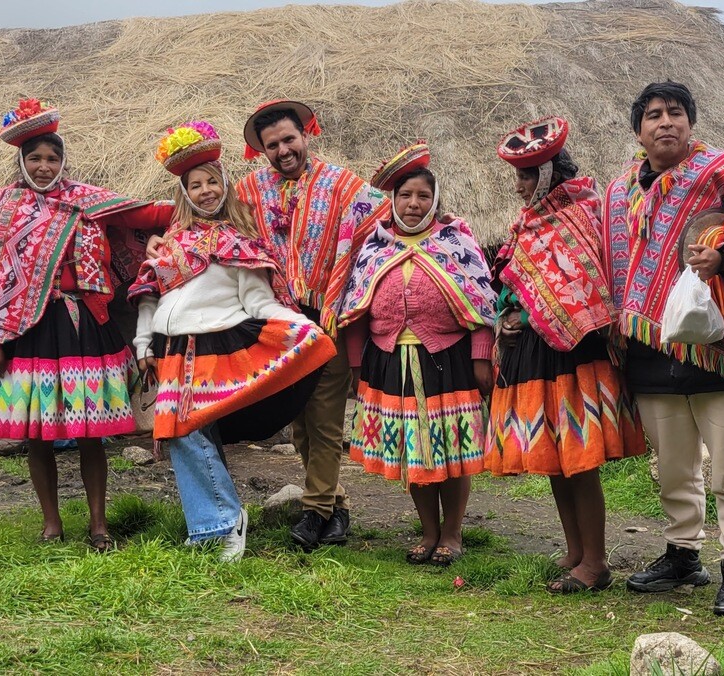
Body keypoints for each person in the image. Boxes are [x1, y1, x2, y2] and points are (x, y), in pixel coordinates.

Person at [601, 81, 724, 616]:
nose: (664, 122)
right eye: (653, 115)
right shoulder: (620, 192)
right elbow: (610, 267)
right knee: (673, 465)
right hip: (650, 348)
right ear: (637, 130)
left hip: (722, 348)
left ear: (690, 122)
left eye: (675, 113)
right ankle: (682, 554)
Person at [151, 100, 388, 550]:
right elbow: (202, 207)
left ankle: (316, 513)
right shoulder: (250, 189)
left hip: (322, 316)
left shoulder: (340, 184)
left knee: (323, 420)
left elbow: (382, 220)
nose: (282, 150)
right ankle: (335, 505)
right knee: (298, 419)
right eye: (272, 145)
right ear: (260, 150)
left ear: (305, 135)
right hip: (269, 321)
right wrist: (158, 235)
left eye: (288, 140)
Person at [129, 121, 335, 562]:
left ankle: (222, 520)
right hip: (171, 352)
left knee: (187, 431)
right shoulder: (168, 247)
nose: (205, 191)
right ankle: (210, 525)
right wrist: (143, 345)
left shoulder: (239, 244)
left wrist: (302, 329)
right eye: (195, 185)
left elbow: (260, 303)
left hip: (215, 349)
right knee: (188, 436)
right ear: (184, 194)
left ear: (225, 186)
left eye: (212, 182)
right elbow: (149, 298)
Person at [0, 99, 172, 550]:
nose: (44, 167)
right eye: (35, 158)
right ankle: (51, 523)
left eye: (52, 158)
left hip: (85, 321)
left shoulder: (87, 200)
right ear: (21, 162)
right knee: (37, 434)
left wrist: (179, 214)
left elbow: (148, 214)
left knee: (90, 432)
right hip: (30, 327)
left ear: (63, 162)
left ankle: (99, 523)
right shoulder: (5, 206)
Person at [488, 117, 645, 592]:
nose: (519, 186)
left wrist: (541, 312)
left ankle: (595, 562)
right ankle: (575, 549)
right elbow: (515, 283)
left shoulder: (583, 210)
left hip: (577, 350)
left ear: (551, 171)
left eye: (527, 175)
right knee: (556, 458)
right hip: (535, 352)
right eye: (518, 176)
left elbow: (592, 279)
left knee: (579, 458)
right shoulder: (527, 222)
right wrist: (509, 314)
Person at [335, 142, 496, 566]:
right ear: (392, 200)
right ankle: (427, 533)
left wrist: (482, 355)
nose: (413, 203)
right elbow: (355, 310)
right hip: (389, 360)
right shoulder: (375, 247)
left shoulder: (456, 242)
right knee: (413, 449)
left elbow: (481, 302)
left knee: (451, 448)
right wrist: (356, 365)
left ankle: (453, 533)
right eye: (405, 195)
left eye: (423, 196)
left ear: (435, 200)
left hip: (448, 358)